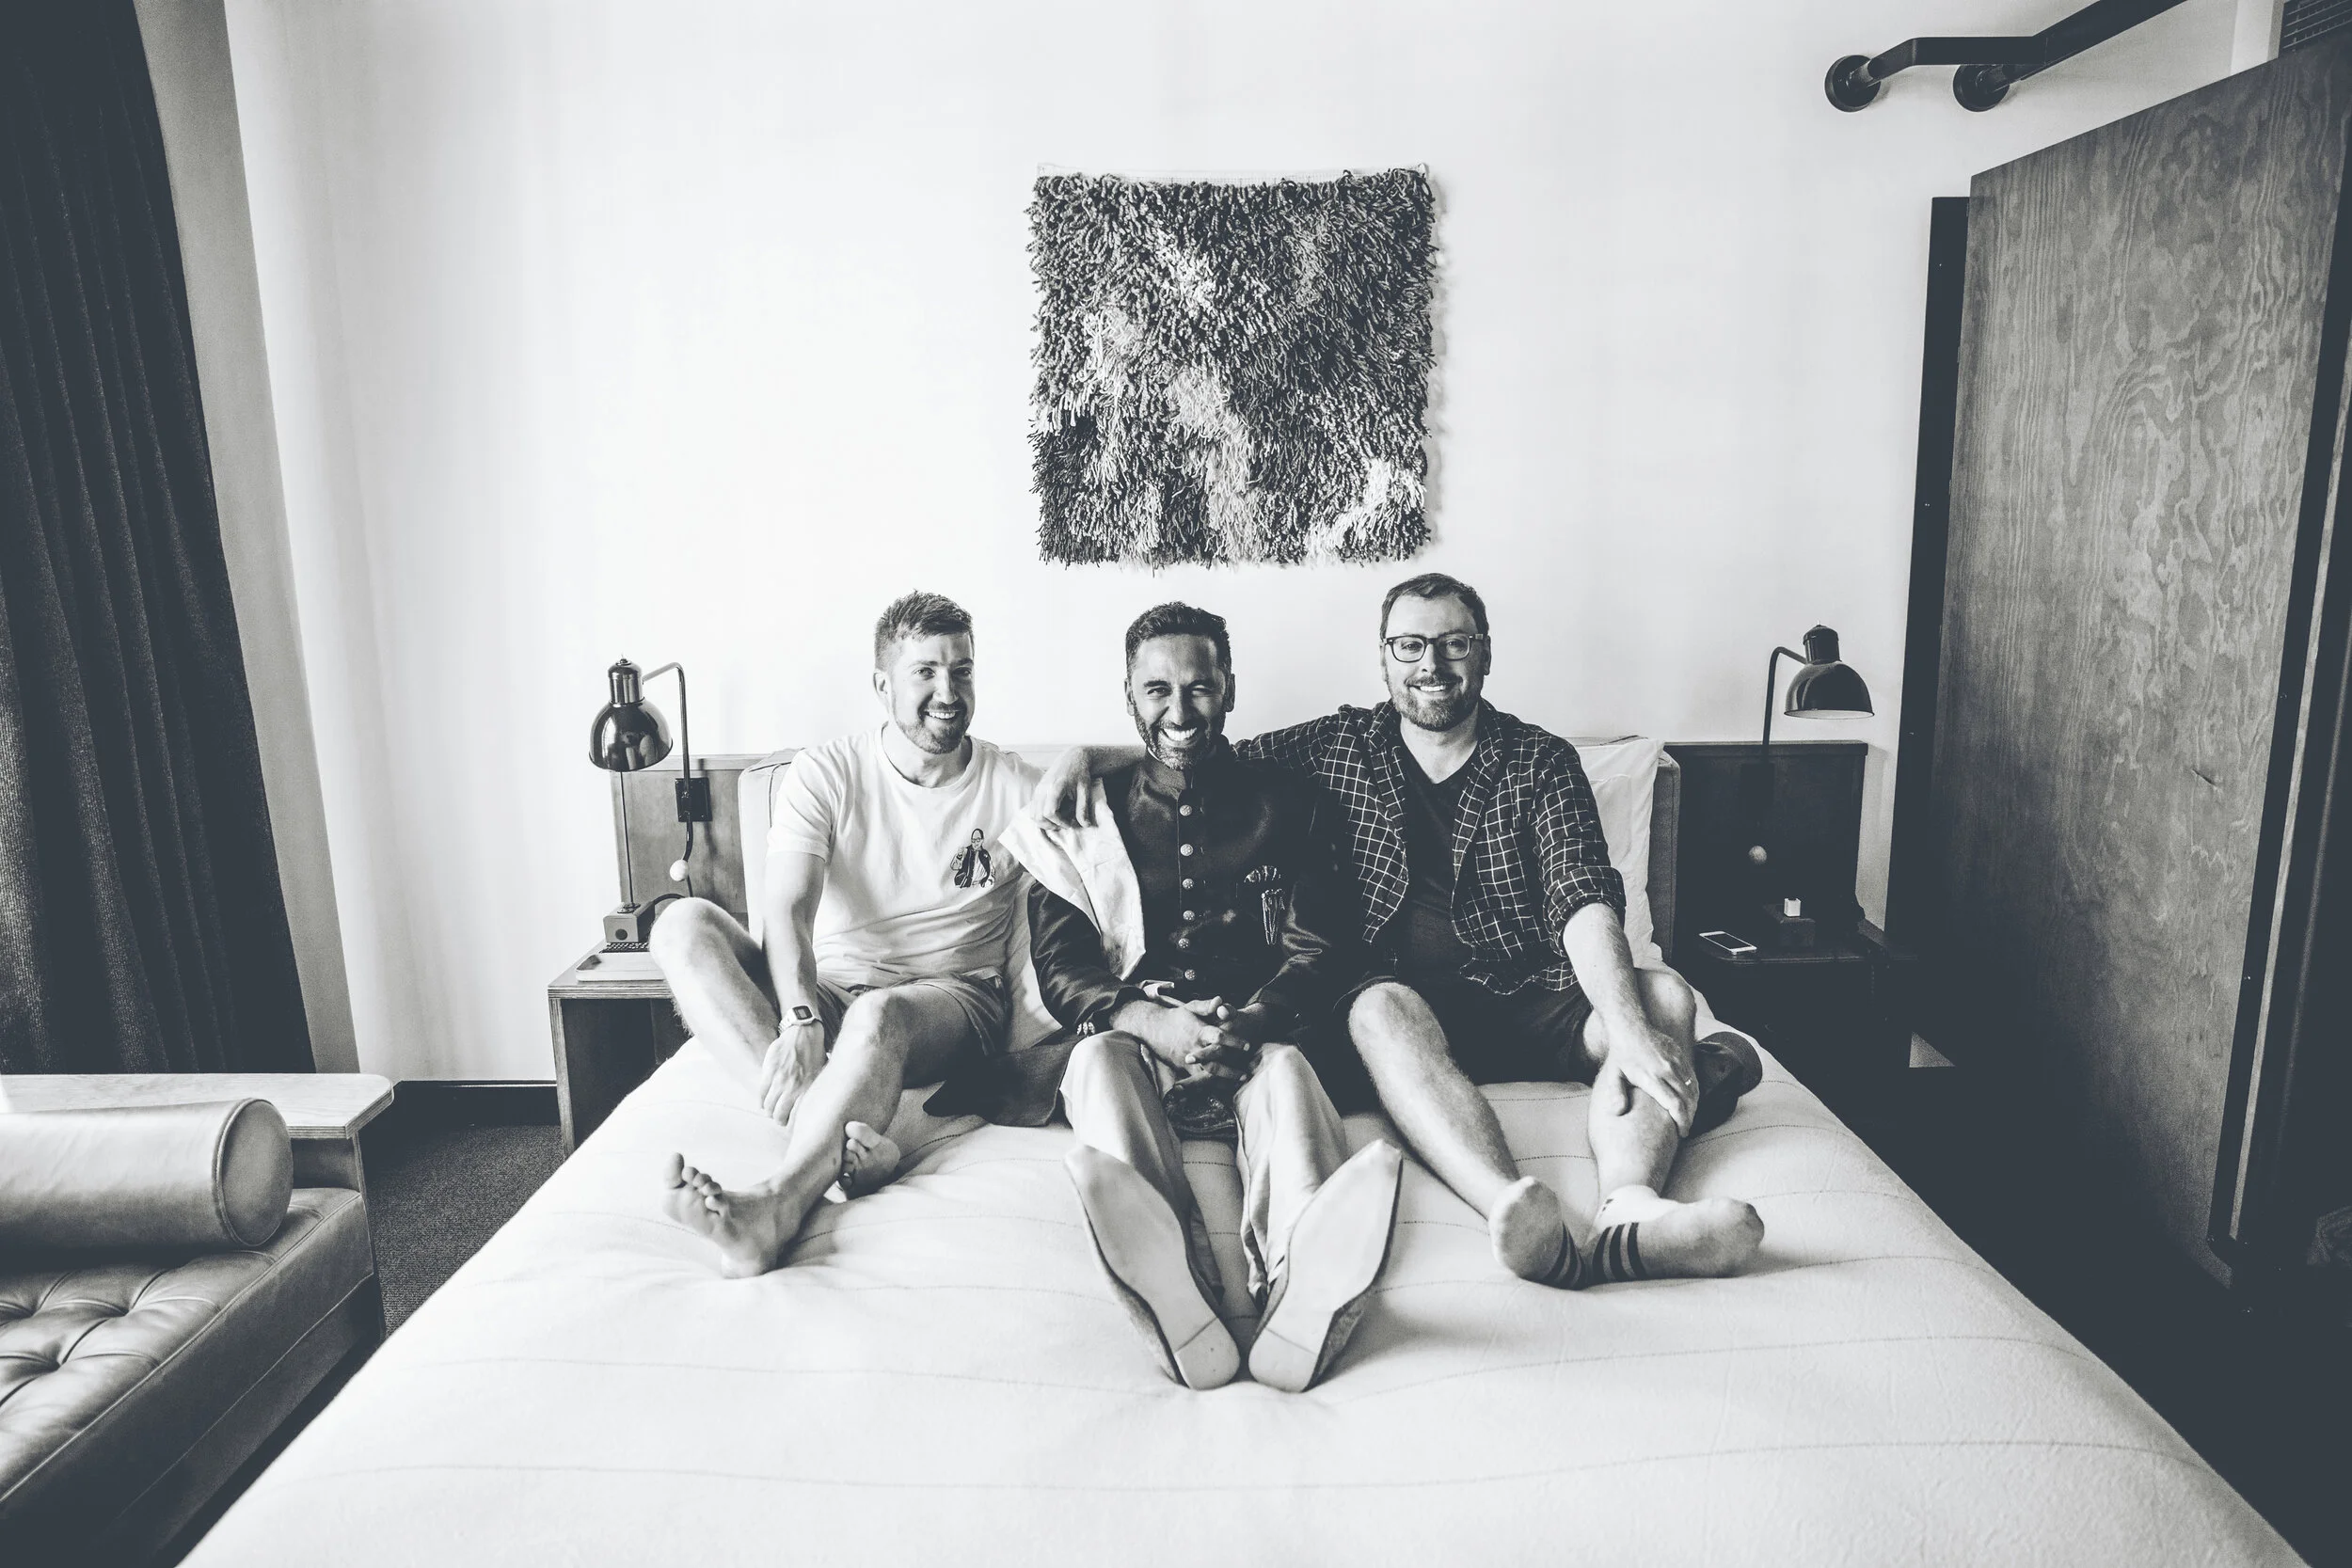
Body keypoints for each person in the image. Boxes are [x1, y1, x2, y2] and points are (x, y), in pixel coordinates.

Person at [1040, 573, 1764, 1291]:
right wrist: (1086, 757)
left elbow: (1583, 898)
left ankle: (1628, 1210)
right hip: (1400, 1010)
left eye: (1454, 644)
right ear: (1384, 657)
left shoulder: (1541, 761)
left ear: (1485, 653)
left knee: (1664, 997)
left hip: (1529, 993)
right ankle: (1518, 1214)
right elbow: (1195, 745)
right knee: (1378, 1005)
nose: (1432, 664)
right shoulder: (1336, 745)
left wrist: (1629, 1028)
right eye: (1410, 644)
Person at [1009, 603, 1402, 1392]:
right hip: (1138, 1039)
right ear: (1129, 695)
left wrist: (1250, 1023)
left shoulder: (1295, 801)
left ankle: (1302, 1284)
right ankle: (1170, 1280)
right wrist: (1153, 1022)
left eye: (1198, 687)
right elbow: (1062, 966)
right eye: (1157, 690)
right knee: (1097, 1062)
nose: (1180, 711)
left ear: (1229, 689)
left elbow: (1318, 948)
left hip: (1260, 1037)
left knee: (1290, 1074)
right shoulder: (1082, 813)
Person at [653, 592, 1041, 1277]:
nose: (948, 692)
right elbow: (788, 908)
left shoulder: (1015, 786)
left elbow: (1106, 814)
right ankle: (830, 1129)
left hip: (953, 1000)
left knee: (878, 1013)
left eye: (962, 670)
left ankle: (774, 1206)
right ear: (882, 685)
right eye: (925, 672)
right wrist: (801, 1015)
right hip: (832, 990)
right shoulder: (826, 772)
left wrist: (1079, 765)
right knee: (680, 925)